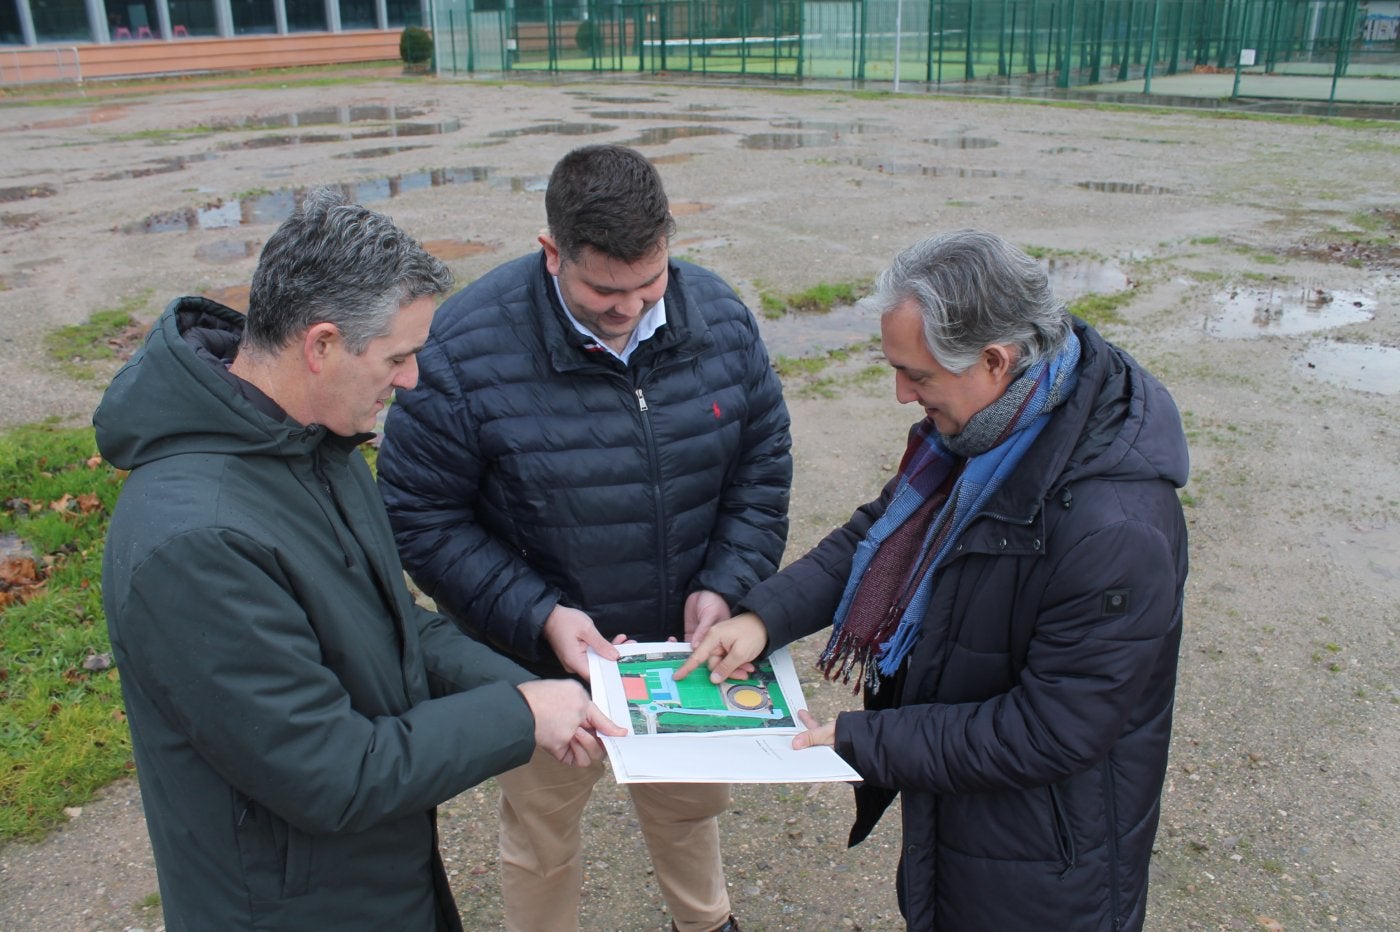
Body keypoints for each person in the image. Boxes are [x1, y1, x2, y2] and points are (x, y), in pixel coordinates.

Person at [96, 187, 622, 931]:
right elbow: (329, 772)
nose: (411, 380)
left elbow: (390, 630)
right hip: (290, 908)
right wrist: (517, 715)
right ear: (321, 345)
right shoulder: (195, 543)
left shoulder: (313, 441)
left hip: (374, 875)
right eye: (398, 357)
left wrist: (547, 684)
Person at [679, 229, 1189, 931]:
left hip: (1049, 861)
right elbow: (878, 534)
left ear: (994, 360)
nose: (899, 394)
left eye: (917, 376)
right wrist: (761, 618)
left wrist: (863, 741)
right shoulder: (985, 434)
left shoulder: (1114, 527)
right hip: (965, 814)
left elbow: (1052, 730)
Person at [376, 144, 792, 932]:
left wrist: (727, 581)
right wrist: (539, 615)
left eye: (649, 283)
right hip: (539, 665)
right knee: (540, 833)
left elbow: (761, 463)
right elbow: (419, 513)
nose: (630, 308)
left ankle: (705, 923)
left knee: (686, 812)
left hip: (681, 658)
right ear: (551, 251)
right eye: (603, 289)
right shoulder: (462, 348)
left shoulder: (720, 317)